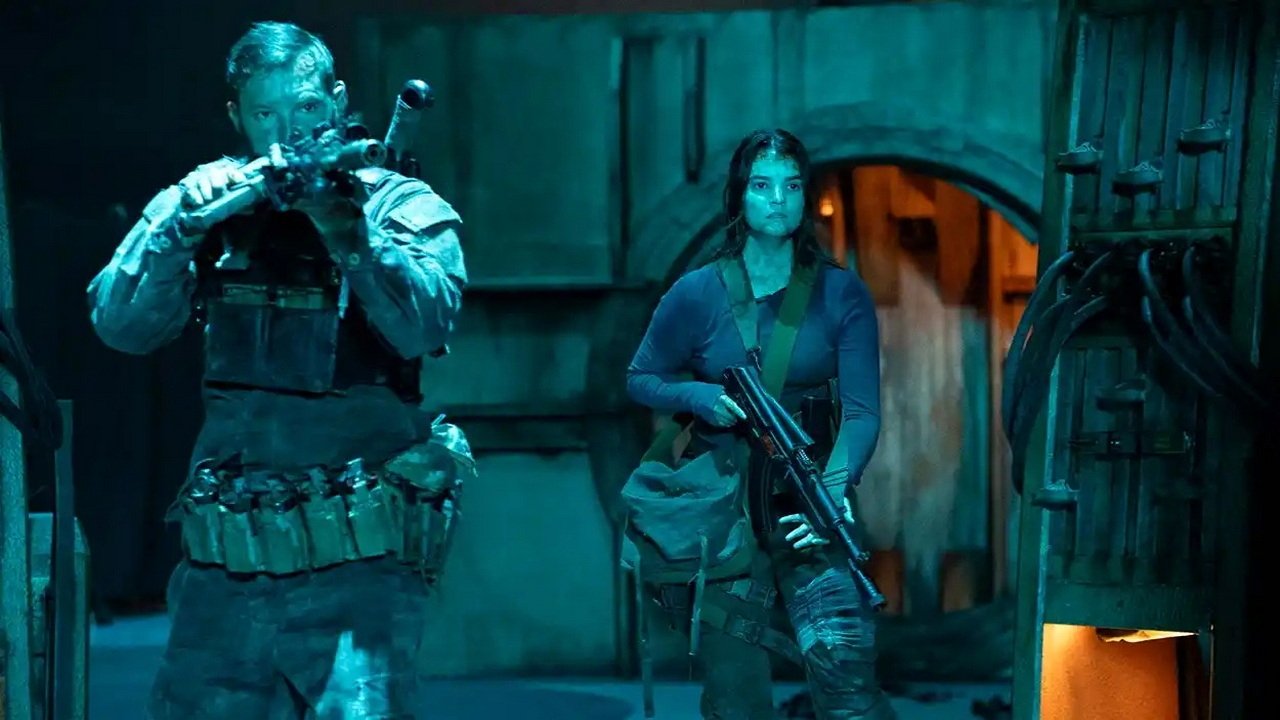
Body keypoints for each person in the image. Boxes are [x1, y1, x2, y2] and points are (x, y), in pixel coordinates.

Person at [87, 21, 471, 719]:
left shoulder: (396, 203)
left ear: (338, 100)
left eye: (307, 107)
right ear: (237, 117)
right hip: (229, 566)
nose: (289, 130)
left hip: (357, 564)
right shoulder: (218, 202)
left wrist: (351, 234)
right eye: (265, 113)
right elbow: (120, 325)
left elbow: (426, 325)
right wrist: (179, 228)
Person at [626, 128, 895, 720]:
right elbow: (641, 376)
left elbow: (862, 411)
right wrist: (700, 396)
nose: (778, 199)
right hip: (725, 515)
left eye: (792, 186)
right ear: (739, 196)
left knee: (848, 686)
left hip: (809, 503)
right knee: (736, 700)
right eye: (762, 185)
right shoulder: (698, 293)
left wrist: (833, 491)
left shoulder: (839, 293)